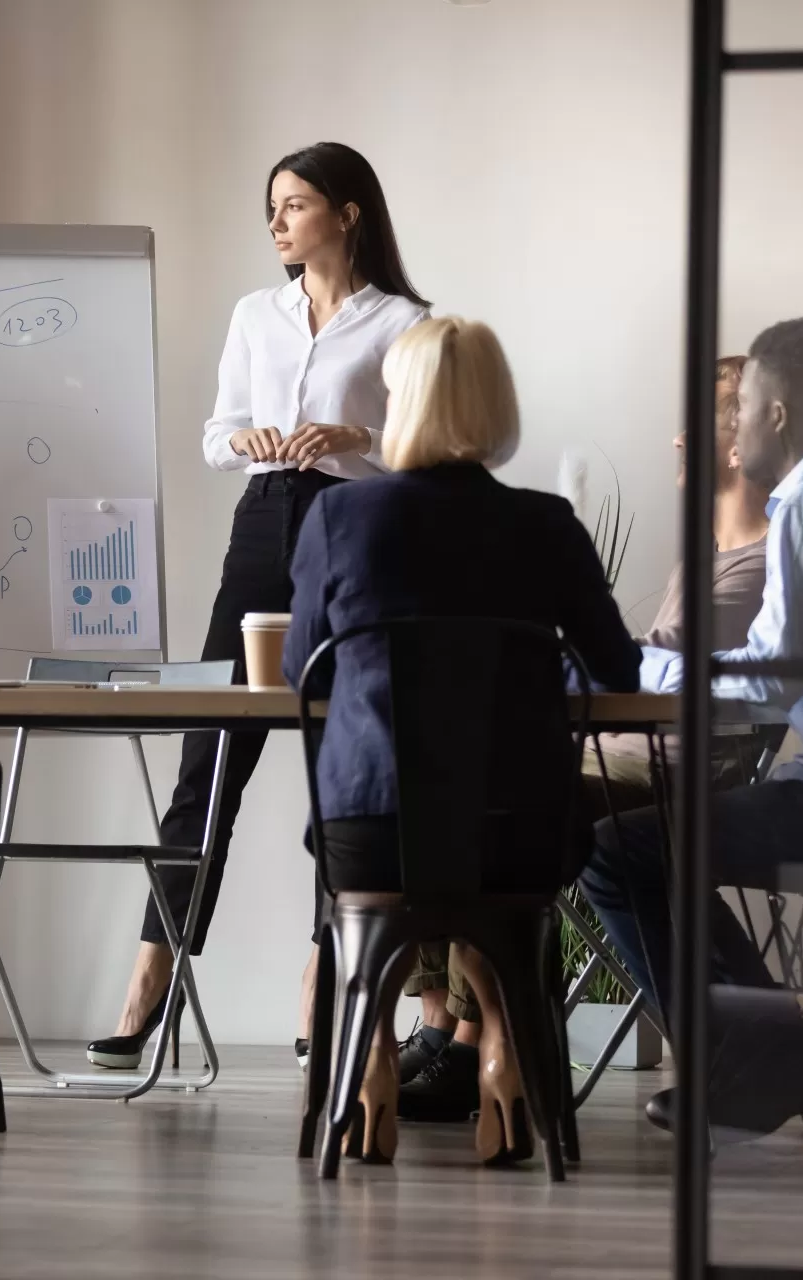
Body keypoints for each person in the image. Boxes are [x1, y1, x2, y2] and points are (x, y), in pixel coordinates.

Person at [87, 141, 431, 1071]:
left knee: (348, 769)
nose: (276, 221)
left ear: (348, 212)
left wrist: (356, 434)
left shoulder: (404, 322)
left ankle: (327, 995)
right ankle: (145, 989)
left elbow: (425, 445)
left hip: (358, 528)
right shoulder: (255, 313)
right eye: (271, 207)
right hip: (264, 520)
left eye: (295, 204)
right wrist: (253, 437)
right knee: (211, 753)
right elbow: (212, 436)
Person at [283, 316, 642, 1165]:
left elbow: (307, 673)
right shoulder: (548, 525)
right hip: (517, 836)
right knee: (500, 885)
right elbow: (616, 671)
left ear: (400, 404)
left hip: (369, 837)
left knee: (376, 863)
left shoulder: (339, 518)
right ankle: (504, 1055)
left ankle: (368, 1058)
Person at [579, 317, 803, 1138]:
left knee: (615, 852)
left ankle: (758, 1062)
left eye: (739, 409)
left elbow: (770, 678)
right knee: (653, 844)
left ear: (777, 414)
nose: (731, 432)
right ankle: (772, 1057)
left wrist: (627, 667)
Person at [397, 355, 772, 1121]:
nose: (675, 440)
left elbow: (647, 677)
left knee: (492, 805)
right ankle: (441, 1026)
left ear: (740, 447)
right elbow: (643, 668)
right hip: (623, 753)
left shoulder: (758, 567)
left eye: (696, 425)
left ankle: (474, 1041)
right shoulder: (706, 561)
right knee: (445, 792)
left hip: (676, 772)